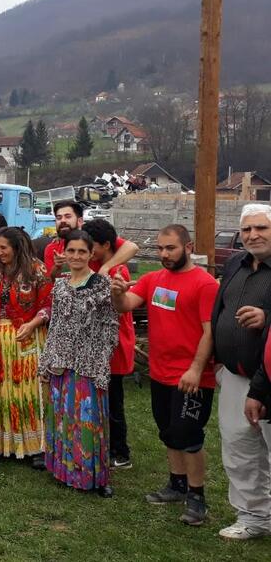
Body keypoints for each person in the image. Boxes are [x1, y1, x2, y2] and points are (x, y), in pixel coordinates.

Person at [111, 224, 219, 526]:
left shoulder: (205, 284)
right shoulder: (153, 279)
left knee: (189, 435)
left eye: (170, 248)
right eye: (159, 249)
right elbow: (126, 306)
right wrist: (119, 294)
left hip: (191, 377)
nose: (164, 254)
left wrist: (196, 369)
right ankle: (176, 484)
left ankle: (197, 497)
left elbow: (210, 332)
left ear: (188, 247)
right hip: (159, 373)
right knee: (168, 431)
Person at [39, 231, 118, 497]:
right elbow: (56, 326)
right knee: (63, 418)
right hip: (61, 361)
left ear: (91, 254)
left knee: (88, 418)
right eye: (71, 251)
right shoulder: (60, 285)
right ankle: (65, 471)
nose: (75, 256)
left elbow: (109, 326)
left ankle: (93, 475)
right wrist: (48, 361)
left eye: (81, 252)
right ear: (64, 252)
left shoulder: (101, 285)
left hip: (88, 363)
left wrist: (101, 361)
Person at [210, 204, 271, 540]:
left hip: (270, 377)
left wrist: (266, 318)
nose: (253, 235)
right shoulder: (236, 263)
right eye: (247, 229)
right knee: (238, 448)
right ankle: (254, 518)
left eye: (261, 228)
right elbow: (219, 309)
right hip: (235, 374)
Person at [0, 227, 53, 465]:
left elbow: (48, 304)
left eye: (4, 248)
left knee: (28, 391)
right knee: (1, 392)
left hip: (27, 337)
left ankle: (36, 447)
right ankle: (3, 444)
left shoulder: (37, 269)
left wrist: (33, 323)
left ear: (17, 247)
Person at [83, 219, 136, 470]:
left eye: (92, 246)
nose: (88, 251)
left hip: (113, 344)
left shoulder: (118, 271)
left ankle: (121, 451)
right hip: (99, 344)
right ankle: (105, 445)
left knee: (114, 401)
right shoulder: (98, 263)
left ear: (105, 245)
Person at [42, 201, 138, 278]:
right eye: (58, 218)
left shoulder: (91, 237)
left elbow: (132, 247)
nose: (62, 220)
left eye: (68, 216)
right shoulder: (52, 249)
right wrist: (58, 266)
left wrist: (106, 267)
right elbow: (52, 280)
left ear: (80, 221)